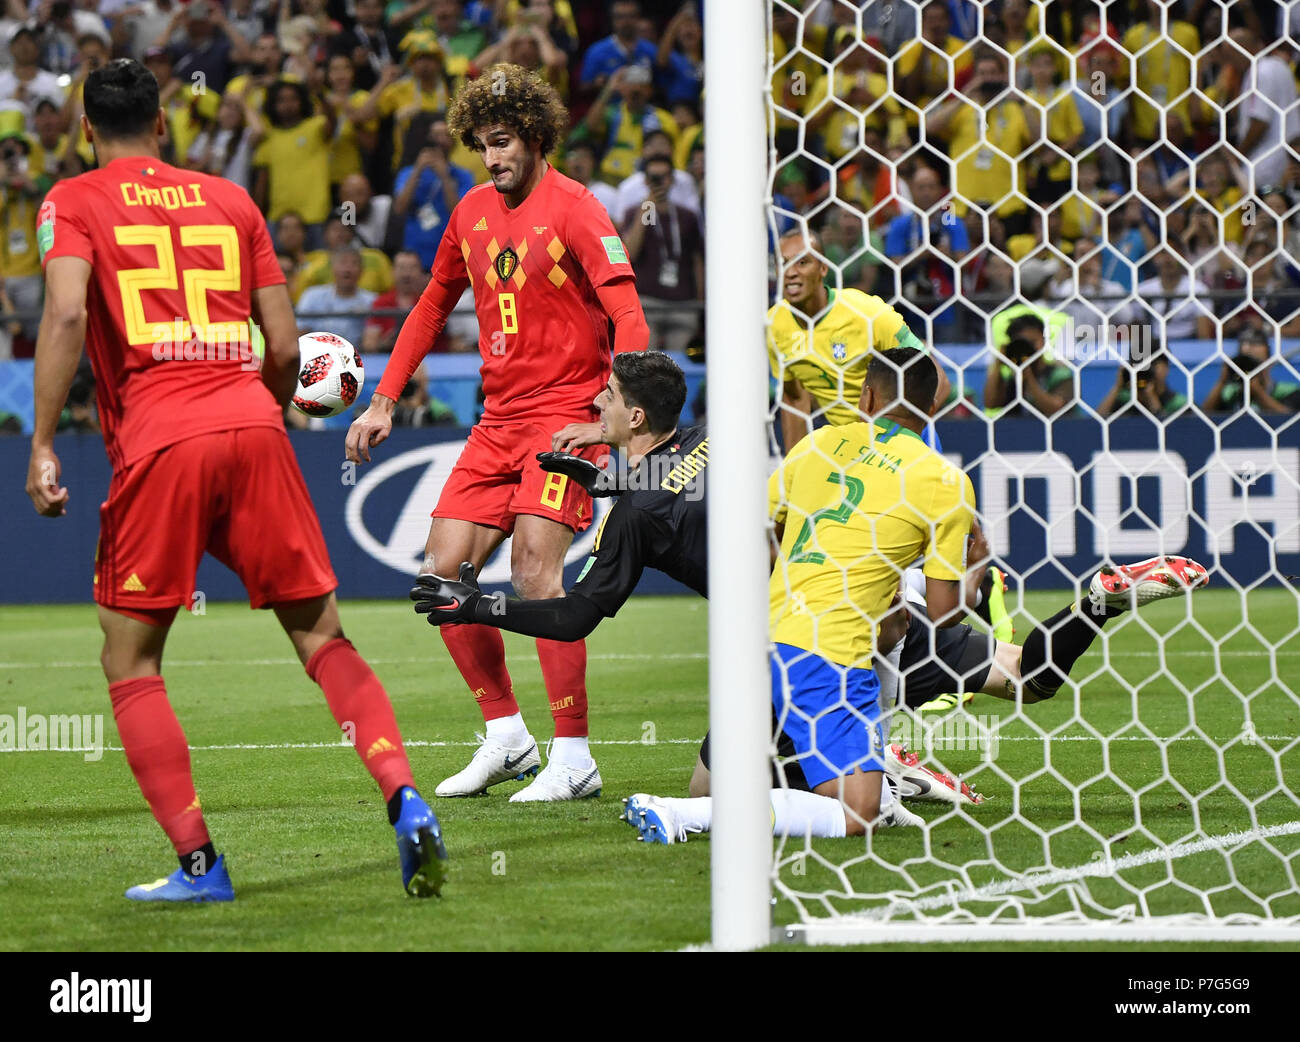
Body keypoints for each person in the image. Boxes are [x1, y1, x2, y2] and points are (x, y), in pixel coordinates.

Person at [24, 58, 445, 901]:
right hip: (253, 425)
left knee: (131, 659)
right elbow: (286, 348)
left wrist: (41, 442)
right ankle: (403, 794)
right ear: (165, 125)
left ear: (84, 129)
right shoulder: (233, 198)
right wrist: (259, 410)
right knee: (322, 634)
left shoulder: (69, 201)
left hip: (158, 437)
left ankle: (199, 867)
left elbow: (67, 312)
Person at [345, 63, 649, 803]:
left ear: (537, 136)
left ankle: (574, 755)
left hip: (564, 419)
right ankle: (508, 736)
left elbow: (629, 312)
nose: (493, 158)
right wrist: (385, 398)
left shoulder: (577, 209)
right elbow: (427, 308)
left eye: (505, 142)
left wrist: (628, 417)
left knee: (536, 572)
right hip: (496, 420)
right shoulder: (471, 211)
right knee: (441, 578)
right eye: (482, 145)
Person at [626, 348, 978, 841]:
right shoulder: (945, 482)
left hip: (762, 638)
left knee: (706, 787)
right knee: (859, 813)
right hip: (828, 649)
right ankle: (680, 815)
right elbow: (944, 614)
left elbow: (757, 533)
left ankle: (695, 809)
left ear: (866, 396)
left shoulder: (818, 444)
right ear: (932, 408)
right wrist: (977, 563)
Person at [687, 553, 1211, 812]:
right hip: (895, 625)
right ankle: (1094, 605)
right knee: (1028, 677)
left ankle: (879, 770)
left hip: (812, 644)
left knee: (712, 792)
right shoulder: (917, 480)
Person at [768, 228, 948, 457]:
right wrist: (794, 467)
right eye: (783, 264)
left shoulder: (867, 313)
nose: (791, 272)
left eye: (802, 262)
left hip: (904, 441)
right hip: (848, 449)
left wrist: (899, 442)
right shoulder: (774, 326)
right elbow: (794, 400)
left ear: (823, 268)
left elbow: (938, 379)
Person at [621, 152, 702, 353]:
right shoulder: (637, 212)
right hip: (648, 304)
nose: (659, 182)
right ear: (645, 180)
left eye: (663, 176)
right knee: (646, 364)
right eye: (653, 177)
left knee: (679, 368)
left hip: (683, 303)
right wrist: (646, 207)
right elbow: (630, 252)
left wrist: (700, 300)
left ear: (672, 179)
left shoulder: (686, 216)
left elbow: (697, 260)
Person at [982, 312, 1073, 418]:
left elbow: (1056, 409)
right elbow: (990, 403)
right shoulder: (1013, 379)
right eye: (1023, 343)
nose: (1028, 348)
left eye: (1032, 342)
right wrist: (998, 363)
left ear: (1044, 341)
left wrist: (1028, 377)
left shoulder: (1060, 375)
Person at [295, 246, 376, 346]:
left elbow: (372, 342)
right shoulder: (312, 296)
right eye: (343, 263)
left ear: (362, 270)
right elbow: (300, 333)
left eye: (354, 263)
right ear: (332, 268)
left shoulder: (372, 301)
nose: (348, 269)